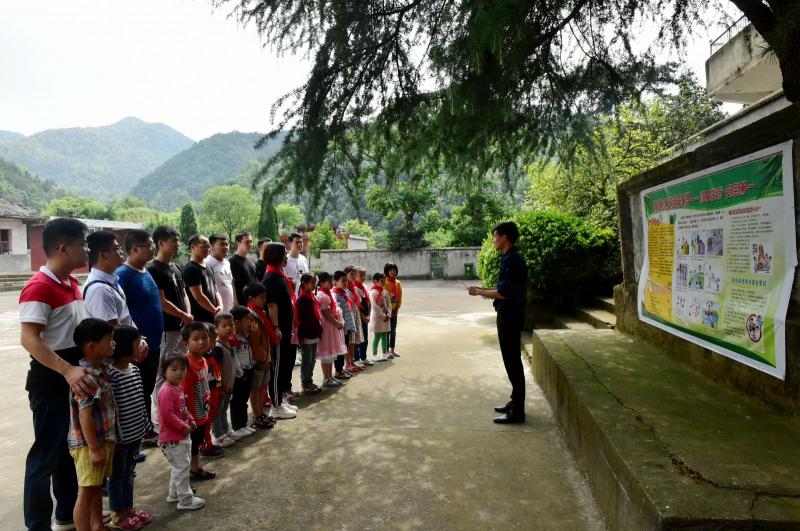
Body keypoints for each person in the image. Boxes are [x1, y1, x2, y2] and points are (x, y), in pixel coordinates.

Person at [19, 217, 91, 531]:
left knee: (67, 451)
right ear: (62, 248)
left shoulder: (71, 283)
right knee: (46, 456)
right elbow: (29, 338)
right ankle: (37, 524)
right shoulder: (40, 286)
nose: (87, 250)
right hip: (51, 382)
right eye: (82, 244)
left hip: (73, 377)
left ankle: (66, 515)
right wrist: (67, 370)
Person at [467, 221, 528, 424]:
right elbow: (504, 289)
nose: (493, 240)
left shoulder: (513, 260)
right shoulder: (510, 258)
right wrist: (481, 290)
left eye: (495, 236)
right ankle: (515, 402)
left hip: (510, 316)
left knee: (512, 362)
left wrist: (479, 292)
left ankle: (517, 411)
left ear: (504, 237)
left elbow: (504, 293)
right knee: (511, 360)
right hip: (509, 314)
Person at [68, 318, 117, 531]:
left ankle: (98, 525)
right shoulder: (87, 378)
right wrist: (95, 449)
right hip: (89, 444)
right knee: (86, 491)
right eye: (109, 339)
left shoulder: (101, 369)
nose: (114, 343)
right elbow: (84, 417)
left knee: (96, 486)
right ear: (91, 346)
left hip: (102, 438)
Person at [116, 229, 163, 444]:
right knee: (138, 389)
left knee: (147, 387)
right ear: (134, 249)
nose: (152, 248)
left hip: (152, 342)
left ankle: (146, 427)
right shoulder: (123, 275)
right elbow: (122, 313)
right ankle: (141, 432)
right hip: (137, 346)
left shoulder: (146, 272)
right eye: (148, 245)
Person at [107, 325, 151, 530]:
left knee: (129, 473)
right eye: (137, 343)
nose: (141, 346)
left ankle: (129, 508)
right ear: (124, 346)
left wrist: (145, 425)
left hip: (135, 434)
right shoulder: (112, 375)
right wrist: (114, 436)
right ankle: (118, 514)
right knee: (117, 476)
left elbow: (141, 401)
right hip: (120, 438)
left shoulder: (135, 370)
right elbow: (112, 409)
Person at [148, 226, 193, 400]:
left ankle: (177, 402)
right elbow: (162, 301)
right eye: (174, 241)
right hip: (167, 328)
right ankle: (162, 408)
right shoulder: (153, 269)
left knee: (180, 366)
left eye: (178, 241)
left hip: (183, 326)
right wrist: (183, 315)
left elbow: (184, 294)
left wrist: (188, 315)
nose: (177, 244)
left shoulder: (176, 267)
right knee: (164, 369)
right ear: (161, 243)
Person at [156, 354, 206, 511]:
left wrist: (190, 419)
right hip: (173, 439)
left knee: (179, 467)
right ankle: (185, 499)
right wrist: (182, 426)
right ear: (164, 372)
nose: (179, 373)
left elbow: (183, 409)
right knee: (182, 468)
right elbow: (167, 414)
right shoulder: (166, 391)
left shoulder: (177, 387)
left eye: (183, 369)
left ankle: (174, 494)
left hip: (180, 437)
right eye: (174, 369)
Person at [263, 243, 298, 417]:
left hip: (285, 326)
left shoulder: (279, 275)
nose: (286, 257)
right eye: (284, 254)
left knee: (283, 364)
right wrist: (276, 328)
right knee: (276, 368)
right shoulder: (271, 278)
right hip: (278, 329)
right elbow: (272, 305)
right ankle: (275, 407)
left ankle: (279, 401)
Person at [179, 321, 216, 481]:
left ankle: (195, 468)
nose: (201, 342)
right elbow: (184, 393)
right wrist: (188, 416)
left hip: (202, 411)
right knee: (189, 445)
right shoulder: (186, 364)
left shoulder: (203, 360)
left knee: (197, 442)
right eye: (196, 339)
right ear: (185, 343)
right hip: (192, 415)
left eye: (205, 337)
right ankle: (183, 479)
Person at [243, 283, 276, 428]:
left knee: (262, 386)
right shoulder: (249, 316)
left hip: (265, 356)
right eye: (261, 297)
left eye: (265, 297)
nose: (264, 300)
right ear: (251, 298)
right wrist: (260, 358)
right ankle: (256, 416)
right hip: (259, 359)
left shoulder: (261, 313)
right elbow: (253, 342)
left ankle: (260, 413)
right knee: (255, 388)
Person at [83, 230, 132, 326]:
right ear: (103, 255)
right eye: (117, 248)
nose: (122, 252)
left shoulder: (110, 281)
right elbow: (113, 329)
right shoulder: (100, 290)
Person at [210, 313, 240, 447]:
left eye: (231, 325)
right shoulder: (218, 347)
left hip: (229, 385)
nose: (229, 328)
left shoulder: (229, 342)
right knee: (217, 411)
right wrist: (221, 386)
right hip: (221, 387)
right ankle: (218, 436)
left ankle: (225, 431)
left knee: (223, 409)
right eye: (224, 326)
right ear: (216, 329)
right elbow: (217, 370)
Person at [316, 272, 346, 388]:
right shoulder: (322, 295)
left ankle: (330, 376)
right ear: (322, 282)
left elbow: (335, 310)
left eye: (332, 280)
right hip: (327, 327)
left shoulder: (329, 293)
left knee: (331, 353)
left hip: (332, 326)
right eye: (329, 281)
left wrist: (339, 321)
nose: (332, 283)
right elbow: (326, 314)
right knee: (326, 353)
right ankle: (326, 377)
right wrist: (337, 323)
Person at [184, 234, 222, 324]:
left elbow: (216, 290)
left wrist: (220, 306)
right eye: (205, 246)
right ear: (193, 247)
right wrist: (214, 310)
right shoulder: (191, 268)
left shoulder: (209, 267)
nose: (208, 249)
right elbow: (198, 296)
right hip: (200, 319)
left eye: (209, 246)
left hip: (213, 316)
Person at [296, 273, 322, 394]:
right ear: (304, 283)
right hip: (306, 335)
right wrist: (301, 336)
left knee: (312, 360)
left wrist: (318, 331)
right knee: (306, 360)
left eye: (315, 282)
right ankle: (305, 383)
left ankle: (309, 381)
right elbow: (300, 320)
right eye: (312, 282)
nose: (314, 285)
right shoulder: (302, 300)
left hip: (314, 333)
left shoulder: (312, 297)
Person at [332, 270, 358, 378]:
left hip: (347, 327)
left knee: (344, 348)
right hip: (341, 327)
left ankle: (341, 369)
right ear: (335, 282)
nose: (345, 283)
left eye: (346, 281)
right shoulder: (335, 296)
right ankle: (338, 371)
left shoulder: (344, 293)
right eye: (343, 281)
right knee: (340, 350)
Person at [206, 234, 236, 312]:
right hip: (217, 310)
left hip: (230, 309)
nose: (225, 247)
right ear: (211, 247)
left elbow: (231, 284)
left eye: (226, 244)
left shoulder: (227, 263)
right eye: (222, 244)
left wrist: (235, 303)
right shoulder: (207, 263)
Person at [344, 266, 366, 370]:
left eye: (354, 274)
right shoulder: (344, 289)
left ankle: (352, 362)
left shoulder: (353, 287)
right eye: (351, 274)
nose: (353, 276)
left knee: (352, 342)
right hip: (348, 318)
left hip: (354, 317)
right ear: (346, 275)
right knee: (348, 342)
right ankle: (347, 363)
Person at [229, 231, 258, 305]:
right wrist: (235, 302)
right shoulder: (232, 261)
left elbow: (255, 279)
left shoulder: (251, 260)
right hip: (242, 303)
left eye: (251, 242)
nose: (250, 244)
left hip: (254, 302)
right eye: (247, 242)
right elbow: (232, 284)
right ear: (238, 243)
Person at [369, 272, 392, 362]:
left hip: (386, 317)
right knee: (377, 336)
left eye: (384, 281)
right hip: (378, 318)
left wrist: (388, 314)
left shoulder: (385, 291)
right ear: (375, 281)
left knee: (384, 335)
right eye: (381, 281)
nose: (383, 283)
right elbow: (375, 306)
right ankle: (374, 354)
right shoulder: (373, 292)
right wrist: (383, 315)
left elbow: (389, 304)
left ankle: (384, 353)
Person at [353, 268, 373, 367]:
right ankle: (356, 359)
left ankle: (363, 357)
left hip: (365, 316)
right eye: (360, 275)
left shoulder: (364, 287)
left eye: (364, 275)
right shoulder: (354, 289)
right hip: (359, 317)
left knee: (365, 338)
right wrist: (364, 317)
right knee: (357, 339)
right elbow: (356, 306)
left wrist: (368, 315)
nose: (363, 277)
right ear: (354, 276)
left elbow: (368, 302)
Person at [383, 262, 402, 358]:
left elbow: (400, 296)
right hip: (386, 311)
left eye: (394, 270)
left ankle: (392, 350)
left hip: (394, 311)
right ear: (387, 271)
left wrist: (397, 308)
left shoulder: (398, 283)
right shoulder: (384, 282)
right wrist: (386, 311)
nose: (393, 272)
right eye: (390, 270)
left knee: (393, 331)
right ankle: (386, 351)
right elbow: (382, 297)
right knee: (386, 331)